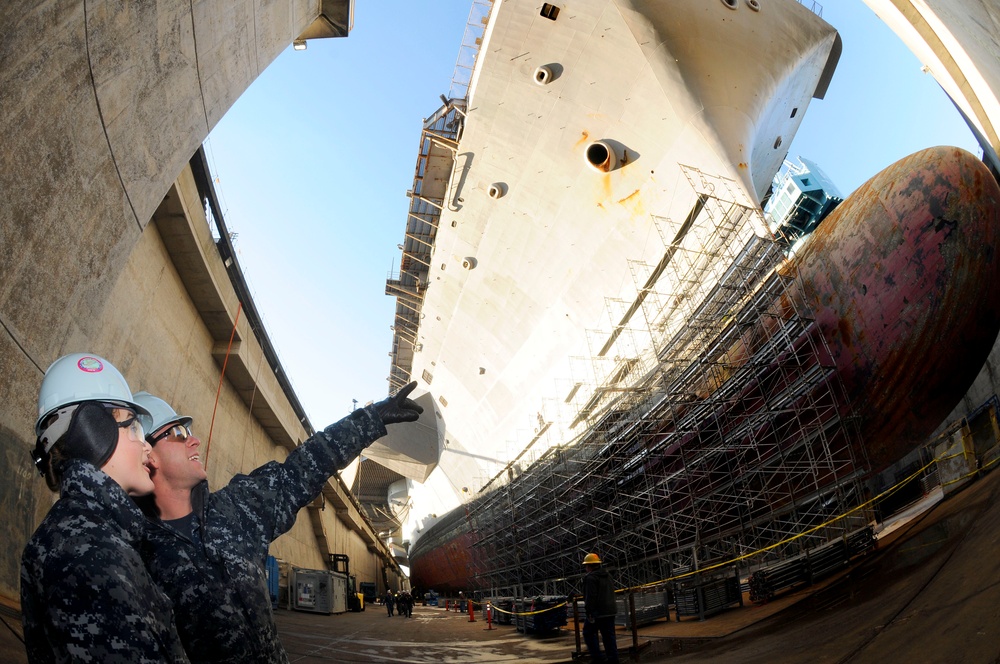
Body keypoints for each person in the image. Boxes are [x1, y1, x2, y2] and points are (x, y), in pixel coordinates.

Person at [133, 382, 423, 663]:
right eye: (178, 433)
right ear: (147, 455)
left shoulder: (235, 509)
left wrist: (370, 420)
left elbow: (304, 467)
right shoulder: (136, 557)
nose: (193, 439)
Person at [20, 353, 190, 663]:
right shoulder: (90, 554)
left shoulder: (89, 532)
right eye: (135, 429)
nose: (147, 446)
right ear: (94, 432)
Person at [581, 552, 619, 664]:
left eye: (586, 566)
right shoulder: (608, 575)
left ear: (589, 566)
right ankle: (613, 659)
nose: (585, 568)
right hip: (610, 610)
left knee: (588, 633)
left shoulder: (590, 578)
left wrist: (589, 611)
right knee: (609, 636)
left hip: (598, 612)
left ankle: (597, 658)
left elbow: (590, 597)